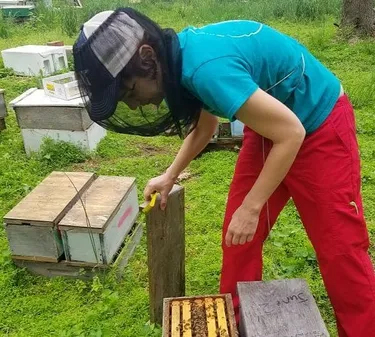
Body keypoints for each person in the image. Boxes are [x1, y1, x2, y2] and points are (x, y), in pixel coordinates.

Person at [72, 7, 375, 337]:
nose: (132, 105)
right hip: (273, 127)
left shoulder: (205, 69)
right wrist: (171, 174)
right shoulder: (178, 63)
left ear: (148, 57)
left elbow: (291, 134)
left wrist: (253, 206)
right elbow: (206, 127)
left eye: (129, 91)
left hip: (319, 125)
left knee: (340, 249)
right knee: (238, 237)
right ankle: (235, 322)